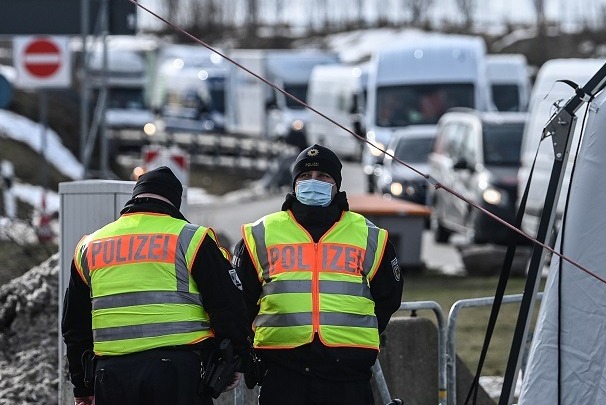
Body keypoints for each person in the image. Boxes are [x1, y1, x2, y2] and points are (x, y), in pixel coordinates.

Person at [62, 166, 252, 405]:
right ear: (175, 202)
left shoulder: (90, 246)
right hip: (177, 374)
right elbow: (228, 305)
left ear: (136, 196)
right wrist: (236, 358)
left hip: (110, 375)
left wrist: (82, 386)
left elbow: (74, 326)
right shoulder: (190, 238)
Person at [233, 144, 404, 405]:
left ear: (336, 184)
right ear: (294, 184)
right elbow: (240, 301)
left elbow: (389, 297)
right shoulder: (261, 234)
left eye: (323, 177)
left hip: (348, 376)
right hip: (283, 373)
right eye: (305, 177)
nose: (313, 183)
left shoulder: (369, 235)